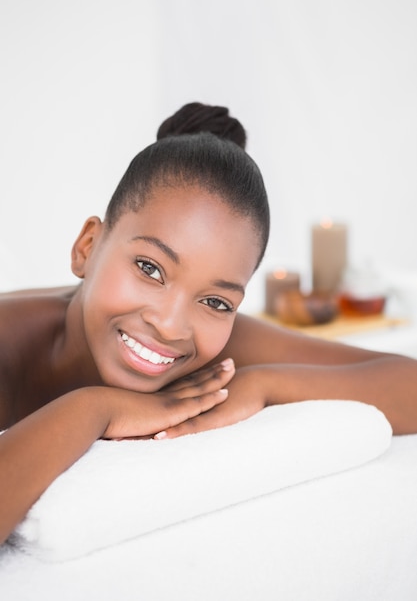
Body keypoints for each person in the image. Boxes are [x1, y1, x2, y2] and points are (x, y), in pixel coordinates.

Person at [1, 102, 417, 545]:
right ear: (87, 246)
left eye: (216, 301)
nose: (170, 325)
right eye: (150, 268)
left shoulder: (214, 354)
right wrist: (94, 408)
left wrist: (260, 386)